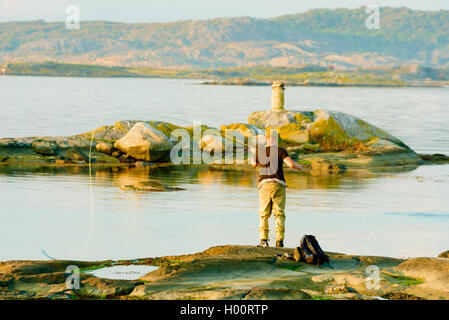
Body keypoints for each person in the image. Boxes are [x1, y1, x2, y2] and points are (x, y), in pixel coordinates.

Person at [251, 128, 304, 248]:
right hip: (278, 184)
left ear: (267, 138)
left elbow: (253, 164)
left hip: (264, 184)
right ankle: (279, 242)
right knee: (279, 213)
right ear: (275, 139)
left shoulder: (260, 151)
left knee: (263, 213)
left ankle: (263, 241)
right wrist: (299, 166)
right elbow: (290, 164)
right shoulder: (281, 150)